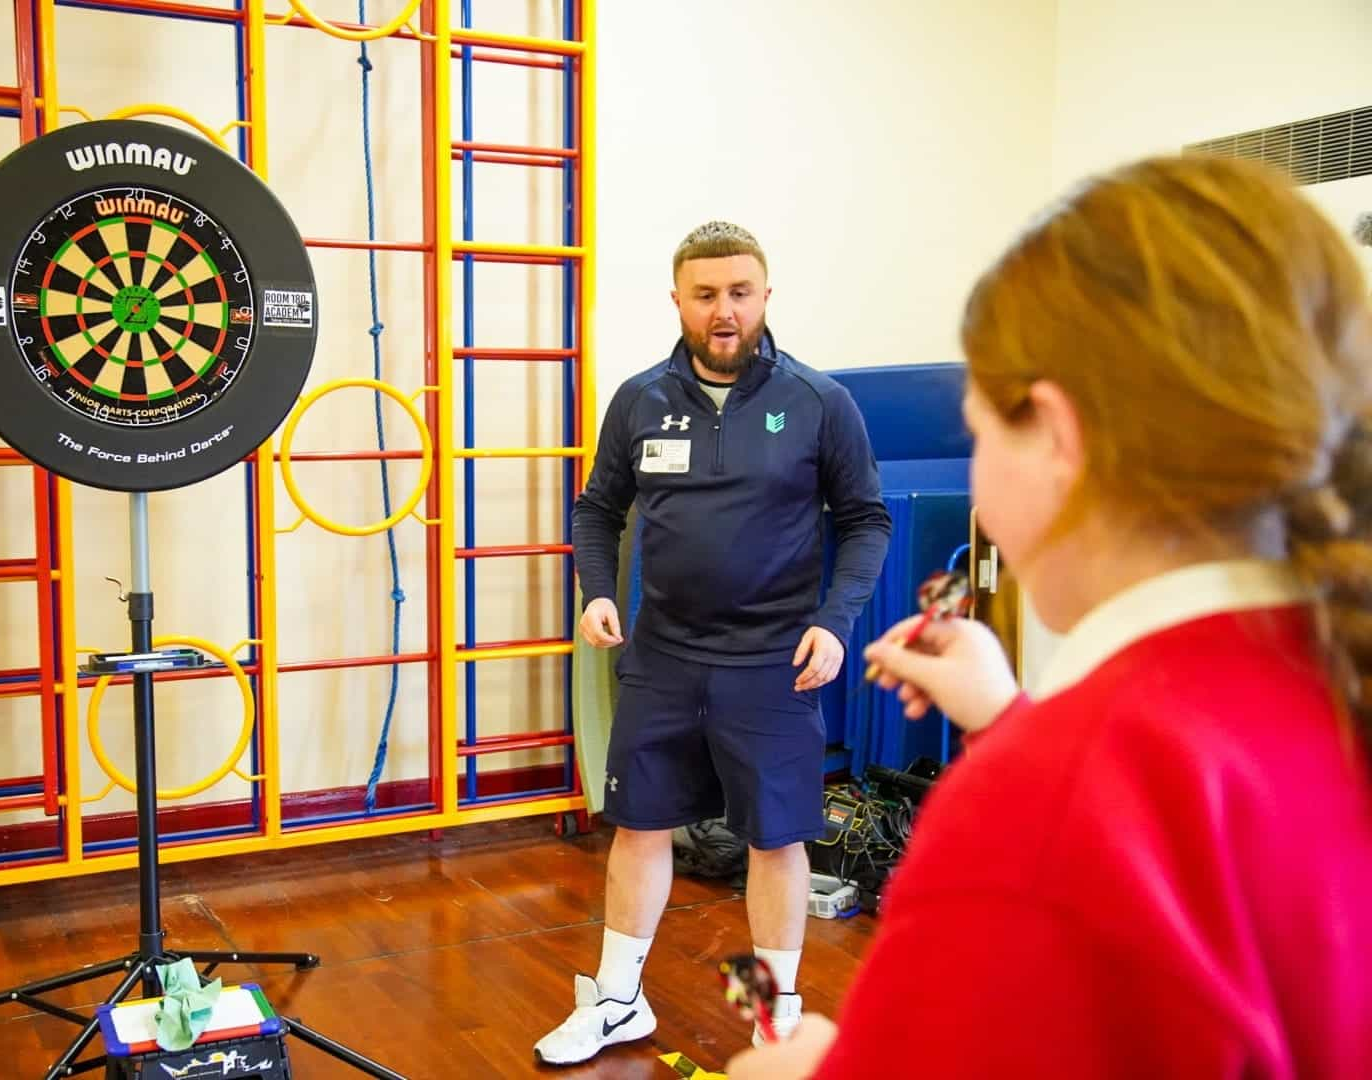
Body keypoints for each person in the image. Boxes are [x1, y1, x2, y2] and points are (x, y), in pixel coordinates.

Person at [724, 154, 1372, 1079]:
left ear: (1059, 438)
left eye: (981, 432)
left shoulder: (1041, 808)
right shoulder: (1326, 677)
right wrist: (1010, 721)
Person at [533, 221, 893, 1066]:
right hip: (663, 656)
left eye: (739, 292)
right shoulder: (640, 398)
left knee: (776, 839)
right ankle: (619, 1000)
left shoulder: (818, 402)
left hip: (773, 661)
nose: (723, 311)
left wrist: (832, 623)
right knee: (641, 824)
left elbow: (866, 520)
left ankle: (774, 1016)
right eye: (705, 295)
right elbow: (596, 508)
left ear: (765, 296)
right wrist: (596, 593)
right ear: (678, 302)